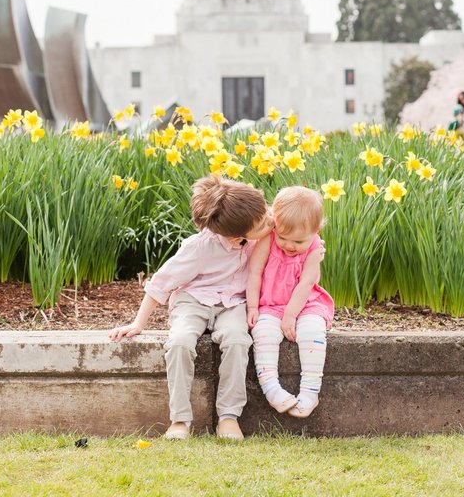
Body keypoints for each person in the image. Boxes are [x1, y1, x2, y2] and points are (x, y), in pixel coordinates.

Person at [109, 175, 272, 440]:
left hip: (233, 303)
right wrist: (138, 323)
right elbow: (161, 282)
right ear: (235, 237)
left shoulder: (256, 222)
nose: (270, 222)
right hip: (193, 300)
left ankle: (229, 418)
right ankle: (179, 421)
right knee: (180, 342)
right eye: (263, 223)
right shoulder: (198, 248)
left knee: (238, 340)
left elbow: (294, 222)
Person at [246, 186, 334, 419]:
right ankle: (272, 389)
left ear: (316, 231)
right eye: (283, 237)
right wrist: (253, 306)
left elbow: (306, 283)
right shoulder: (269, 238)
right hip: (270, 304)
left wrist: (291, 316)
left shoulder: (314, 247)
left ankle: (310, 391)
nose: (288, 245)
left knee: (312, 334)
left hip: (305, 303)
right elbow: (254, 272)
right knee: (263, 334)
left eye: (298, 241)